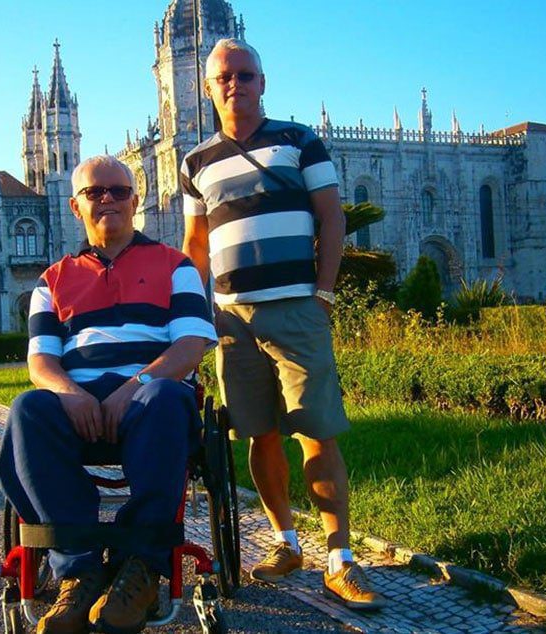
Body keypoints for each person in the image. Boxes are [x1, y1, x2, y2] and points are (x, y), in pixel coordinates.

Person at [181, 38, 384, 611]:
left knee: (316, 430)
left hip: (297, 308)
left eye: (245, 75)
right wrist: (190, 313)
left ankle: (340, 560)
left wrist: (322, 292)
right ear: (208, 86)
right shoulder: (195, 161)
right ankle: (287, 542)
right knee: (257, 432)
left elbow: (332, 215)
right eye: (223, 77)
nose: (234, 85)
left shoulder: (299, 140)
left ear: (262, 82)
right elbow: (196, 244)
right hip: (230, 318)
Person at [0, 154, 217, 634]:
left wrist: (133, 385)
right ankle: (78, 570)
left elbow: (190, 345)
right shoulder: (51, 281)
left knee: (162, 397)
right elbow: (41, 362)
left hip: (149, 399)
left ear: (136, 201)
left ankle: (139, 566)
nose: (108, 200)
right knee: (29, 409)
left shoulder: (175, 266)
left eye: (118, 191)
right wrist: (70, 393)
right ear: (75, 207)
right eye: (95, 193)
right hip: (77, 402)